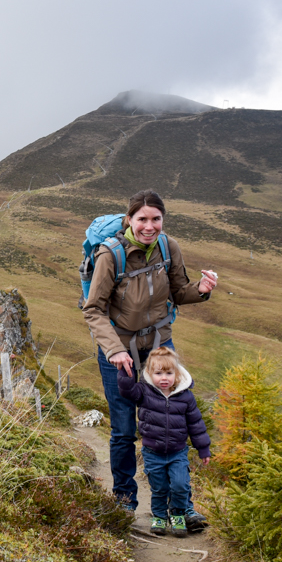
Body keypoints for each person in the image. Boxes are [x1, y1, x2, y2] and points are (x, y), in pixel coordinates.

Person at [81, 189, 217, 527]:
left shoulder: (168, 248)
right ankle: (125, 502)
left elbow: (179, 292)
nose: (149, 226)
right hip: (120, 353)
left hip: (159, 350)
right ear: (129, 220)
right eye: (142, 219)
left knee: (173, 423)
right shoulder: (110, 256)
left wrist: (201, 289)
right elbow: (93, 310)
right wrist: (113, 350)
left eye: (156, 219)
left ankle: (179, 507)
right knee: (124, 429)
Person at [116, 347, 210, 536]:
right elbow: (127, 391)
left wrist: (203, 448)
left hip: (178, 452)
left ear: (177, 373)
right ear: (150, 374)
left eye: (169, 373)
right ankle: (159, 516)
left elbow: (196, 424)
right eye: (158, 373)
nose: (164, 378)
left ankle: (177, 515)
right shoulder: (144, 391)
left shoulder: (185, 396)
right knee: (159, 487)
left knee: (180, 485)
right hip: (153, 452)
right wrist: (125, 373)